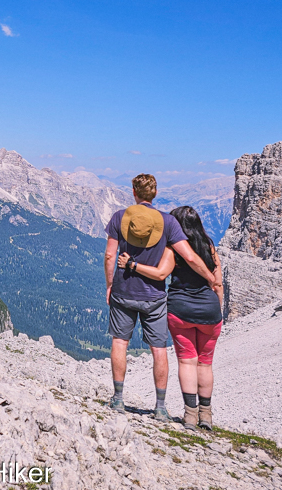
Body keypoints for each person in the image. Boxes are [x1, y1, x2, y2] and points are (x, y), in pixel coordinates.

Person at [104, 174, 220, 421]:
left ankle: (118, 399)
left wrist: (110, 284)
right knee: (159, 350)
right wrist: (211, 278)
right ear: (155, 194)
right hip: (155, 297)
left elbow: (109, 256)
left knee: (119, 343)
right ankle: (160, 407)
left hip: (123, 291)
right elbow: (189, 257)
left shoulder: (119, 217)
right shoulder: (168, 222)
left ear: (133, 192)